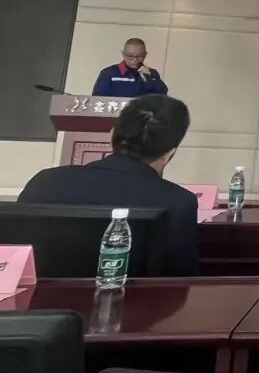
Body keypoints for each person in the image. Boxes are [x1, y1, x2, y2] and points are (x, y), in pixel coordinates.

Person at [19, 94, 199, 276]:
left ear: (111, 134)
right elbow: (180, 280)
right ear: (170, 153)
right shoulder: (178, 202)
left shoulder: (43, 182)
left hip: (39, 296)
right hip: (128, 296)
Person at [92, 37, 168, 97]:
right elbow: (97, 99)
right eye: (130, 56)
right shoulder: (108, 73)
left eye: (139, 56)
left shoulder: (152, 73)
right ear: (123, 54)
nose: (135, 59)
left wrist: (150, 79)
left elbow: (163, 97)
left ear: (145, 55)